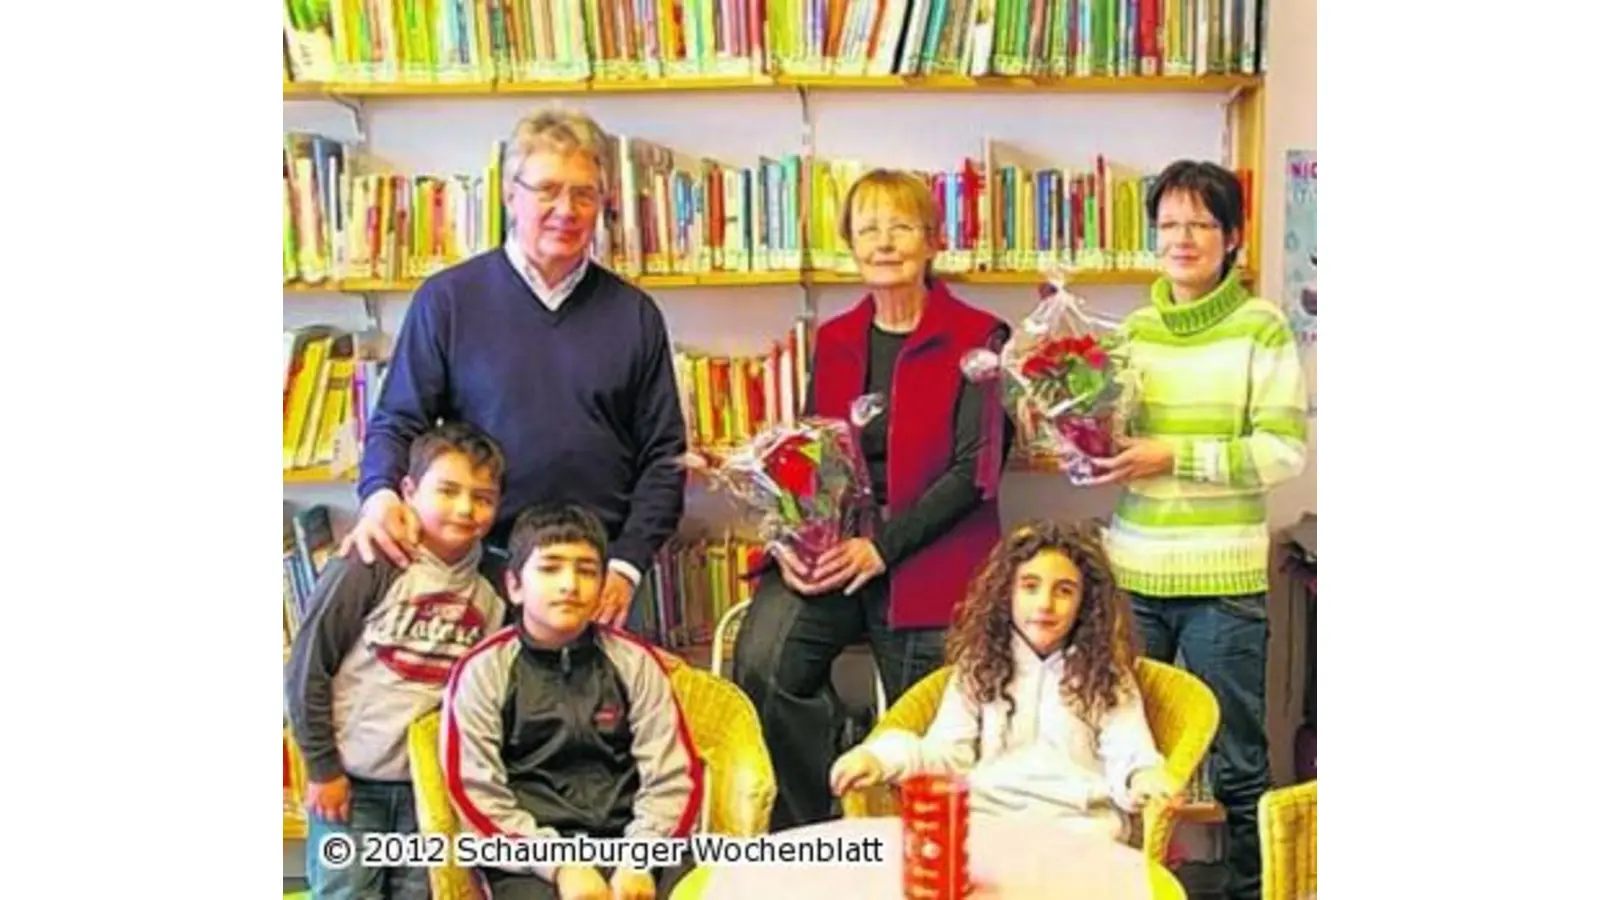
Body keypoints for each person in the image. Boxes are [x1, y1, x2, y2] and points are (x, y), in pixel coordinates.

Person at [733, 169, 1013, 829]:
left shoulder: (981, 335)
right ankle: (814, 825)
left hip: (932, 556)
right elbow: (807, 456)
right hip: (833, 553)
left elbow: (978, 469)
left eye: (902, 226)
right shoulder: (833, 338)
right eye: (868, 228)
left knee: (924, 719)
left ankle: (912, 852)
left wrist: (881, 549)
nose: (884, 242)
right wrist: (793, 542)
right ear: (850, 245)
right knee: (764, 663)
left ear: (932, 241)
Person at [342, 108, 687, 629]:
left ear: (603, 203)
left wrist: (627, 564)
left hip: (599, 576)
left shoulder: (635, 315)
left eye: (584, 193)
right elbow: (398, 422)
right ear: (509, 195)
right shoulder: (448, 301)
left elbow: (666, 458)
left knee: (623, 707)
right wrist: (381, 495)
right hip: (476, 569)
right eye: (547, 189)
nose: (566, 210)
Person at [1089, 159, 1309, 900]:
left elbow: (1282, 452)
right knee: (1123, 757)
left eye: (1200, 224)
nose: (1182, 239)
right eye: (1169, 225)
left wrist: (1173, 454)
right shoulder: (1135, 333)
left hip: (1222, 584)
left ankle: (1256, 891)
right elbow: (1110, 439)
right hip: (1134, 578)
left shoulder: (1262, 326)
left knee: (1240, 762)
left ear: (1232, 237)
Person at [829, 521, 1174, 843]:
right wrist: (879, 757)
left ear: (1086, 604)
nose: (1045, 604)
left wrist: (1143, 779)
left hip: (1081, 835)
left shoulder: (1107, 674)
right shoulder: (979, 667)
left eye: (1064, 591)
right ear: (1006, 594)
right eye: (1030, 586)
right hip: (987, 831)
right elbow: (944, 753)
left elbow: (1129, 750)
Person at [285, 422, 509, 900]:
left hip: (426, 791)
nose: (466, 509)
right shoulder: (370, 561)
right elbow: (308, 666)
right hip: (350, 786)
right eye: (447, 491)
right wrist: (323, 770)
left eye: (483, 497)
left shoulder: (495, 583)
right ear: (408, 490)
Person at [441, 504, 700, 900]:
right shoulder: (482, 671)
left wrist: (640, 861)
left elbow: (670, 776)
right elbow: (477, 796)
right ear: (514, 585)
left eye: (586, 570)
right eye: (550, 568)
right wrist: (559, 864)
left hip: (634, 843)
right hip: (530, 858)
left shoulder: (634, 661)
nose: (569, 585)